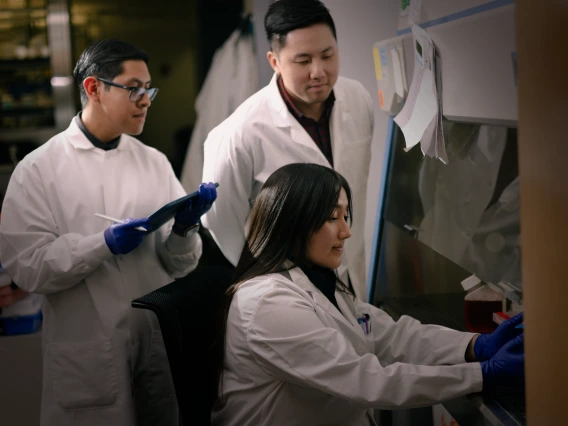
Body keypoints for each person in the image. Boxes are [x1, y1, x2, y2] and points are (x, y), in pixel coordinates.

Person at [0, 39, 217, 426]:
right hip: (87, 354)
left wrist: (184, 230)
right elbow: (27, 269)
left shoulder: (154, 162)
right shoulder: (38, 170)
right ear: (93, 88)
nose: (146, 99)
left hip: (155, 343)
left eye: (148, 88)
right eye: (133, 88)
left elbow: (178, 266)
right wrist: (100, 246)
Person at [211, 163, 525, 426]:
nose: (346, 231)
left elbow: (392, 336)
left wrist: (474, 345)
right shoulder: (268, 303)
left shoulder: (317, 280)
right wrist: (482, 374)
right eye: (333, 217)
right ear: (294, 223)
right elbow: (367, 380)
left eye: (346, 216)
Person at [202, 0, 374, 299]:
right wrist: (269, 276)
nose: (318, 71)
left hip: (352, 275)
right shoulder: (240, 131)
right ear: (275, 62)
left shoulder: (357, 98)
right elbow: (221, 220)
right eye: (303, 60)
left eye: (328, 55)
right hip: (286, 288)